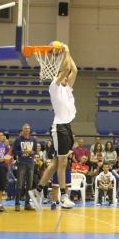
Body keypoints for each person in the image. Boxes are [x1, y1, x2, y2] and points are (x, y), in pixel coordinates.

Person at [31, 43, 77, 211]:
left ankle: (37, 191)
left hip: (67, 128)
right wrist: (65, 51)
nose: (67, 77)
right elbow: (66, 70)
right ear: (58, 78)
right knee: (63, 162)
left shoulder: (67, 89)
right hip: (59, 128)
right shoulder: (54, 88)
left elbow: (74, 71)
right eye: (63, 76)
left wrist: (68, 51)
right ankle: (64, 196)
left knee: (57, 163)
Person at [11, 123, 37, 212]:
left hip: (30, 164)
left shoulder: (33, 139)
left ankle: (27, 204)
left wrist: (32, 153)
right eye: (25, 128)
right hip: (22, 163)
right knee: (19, 184)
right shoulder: (18, 140)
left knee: (29, 185)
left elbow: (35, 151)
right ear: (22, 130)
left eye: (28, 128)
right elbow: (14, 151)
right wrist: (22, 152)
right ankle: (17, 204)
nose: (27, 129)